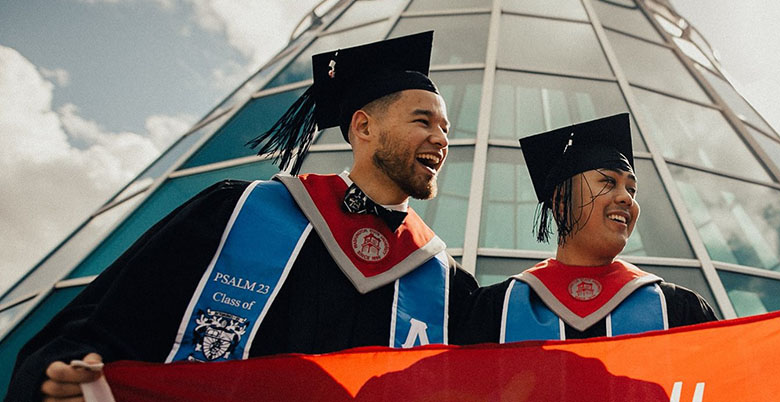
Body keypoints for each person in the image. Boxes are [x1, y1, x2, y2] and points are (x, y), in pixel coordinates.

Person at [8, 32, 479, 401]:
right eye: (423, 121)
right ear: (364, 127)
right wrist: (66, 372)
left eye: (445, 128)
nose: (442, 139)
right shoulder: (238, 214)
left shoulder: (444, 284)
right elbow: (112, 323)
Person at [456, 114, 717, 344]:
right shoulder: (496, 311)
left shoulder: (677, 310)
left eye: (632, 189)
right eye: (608, 182)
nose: (627, 198)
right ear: (561, 202)